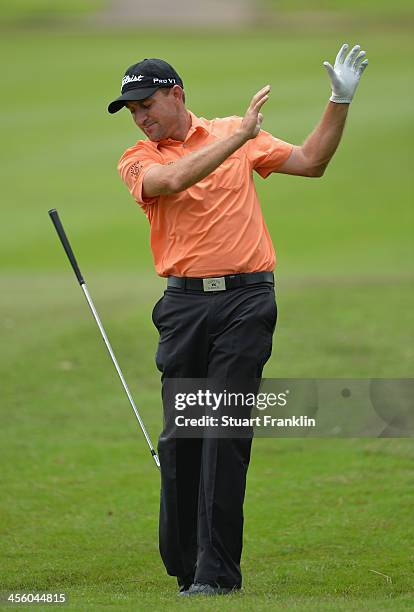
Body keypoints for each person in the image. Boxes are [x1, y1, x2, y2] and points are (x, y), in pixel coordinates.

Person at [107, 44, 368, 596]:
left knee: (223, 432)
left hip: (247, 303)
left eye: (146, 103)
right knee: (184, 438)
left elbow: (311, 162)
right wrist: (239, 138)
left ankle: (216, 575)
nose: (141, 117)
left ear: (176, 94)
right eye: (132, 110)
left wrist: (338, 101)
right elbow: (170, 182)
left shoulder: (233, 131)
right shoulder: (140, 157)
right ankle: (186, 565)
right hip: (182, 308)